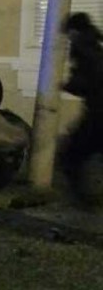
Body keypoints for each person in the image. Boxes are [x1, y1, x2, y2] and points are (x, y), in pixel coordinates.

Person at [59, 12, 103, 208]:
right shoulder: (94, 45)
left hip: (97, 114)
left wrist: (66, 85)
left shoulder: (83, 48)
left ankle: (84, 202)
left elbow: (89, 80)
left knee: (70, 155)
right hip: (96, 111)